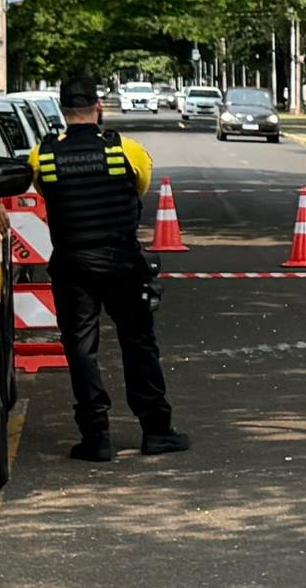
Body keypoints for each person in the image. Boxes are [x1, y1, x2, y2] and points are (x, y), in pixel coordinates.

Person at [28, 76, 187, 463]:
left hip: (72, 265)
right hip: (121, 262)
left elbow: (45, 192)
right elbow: (140, 187)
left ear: (63, 112)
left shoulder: (42, 156)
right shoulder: (125, 150)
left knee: (81, 349)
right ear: (98, 108)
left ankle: (96, 437)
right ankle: (156, 429)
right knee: (138, 342)